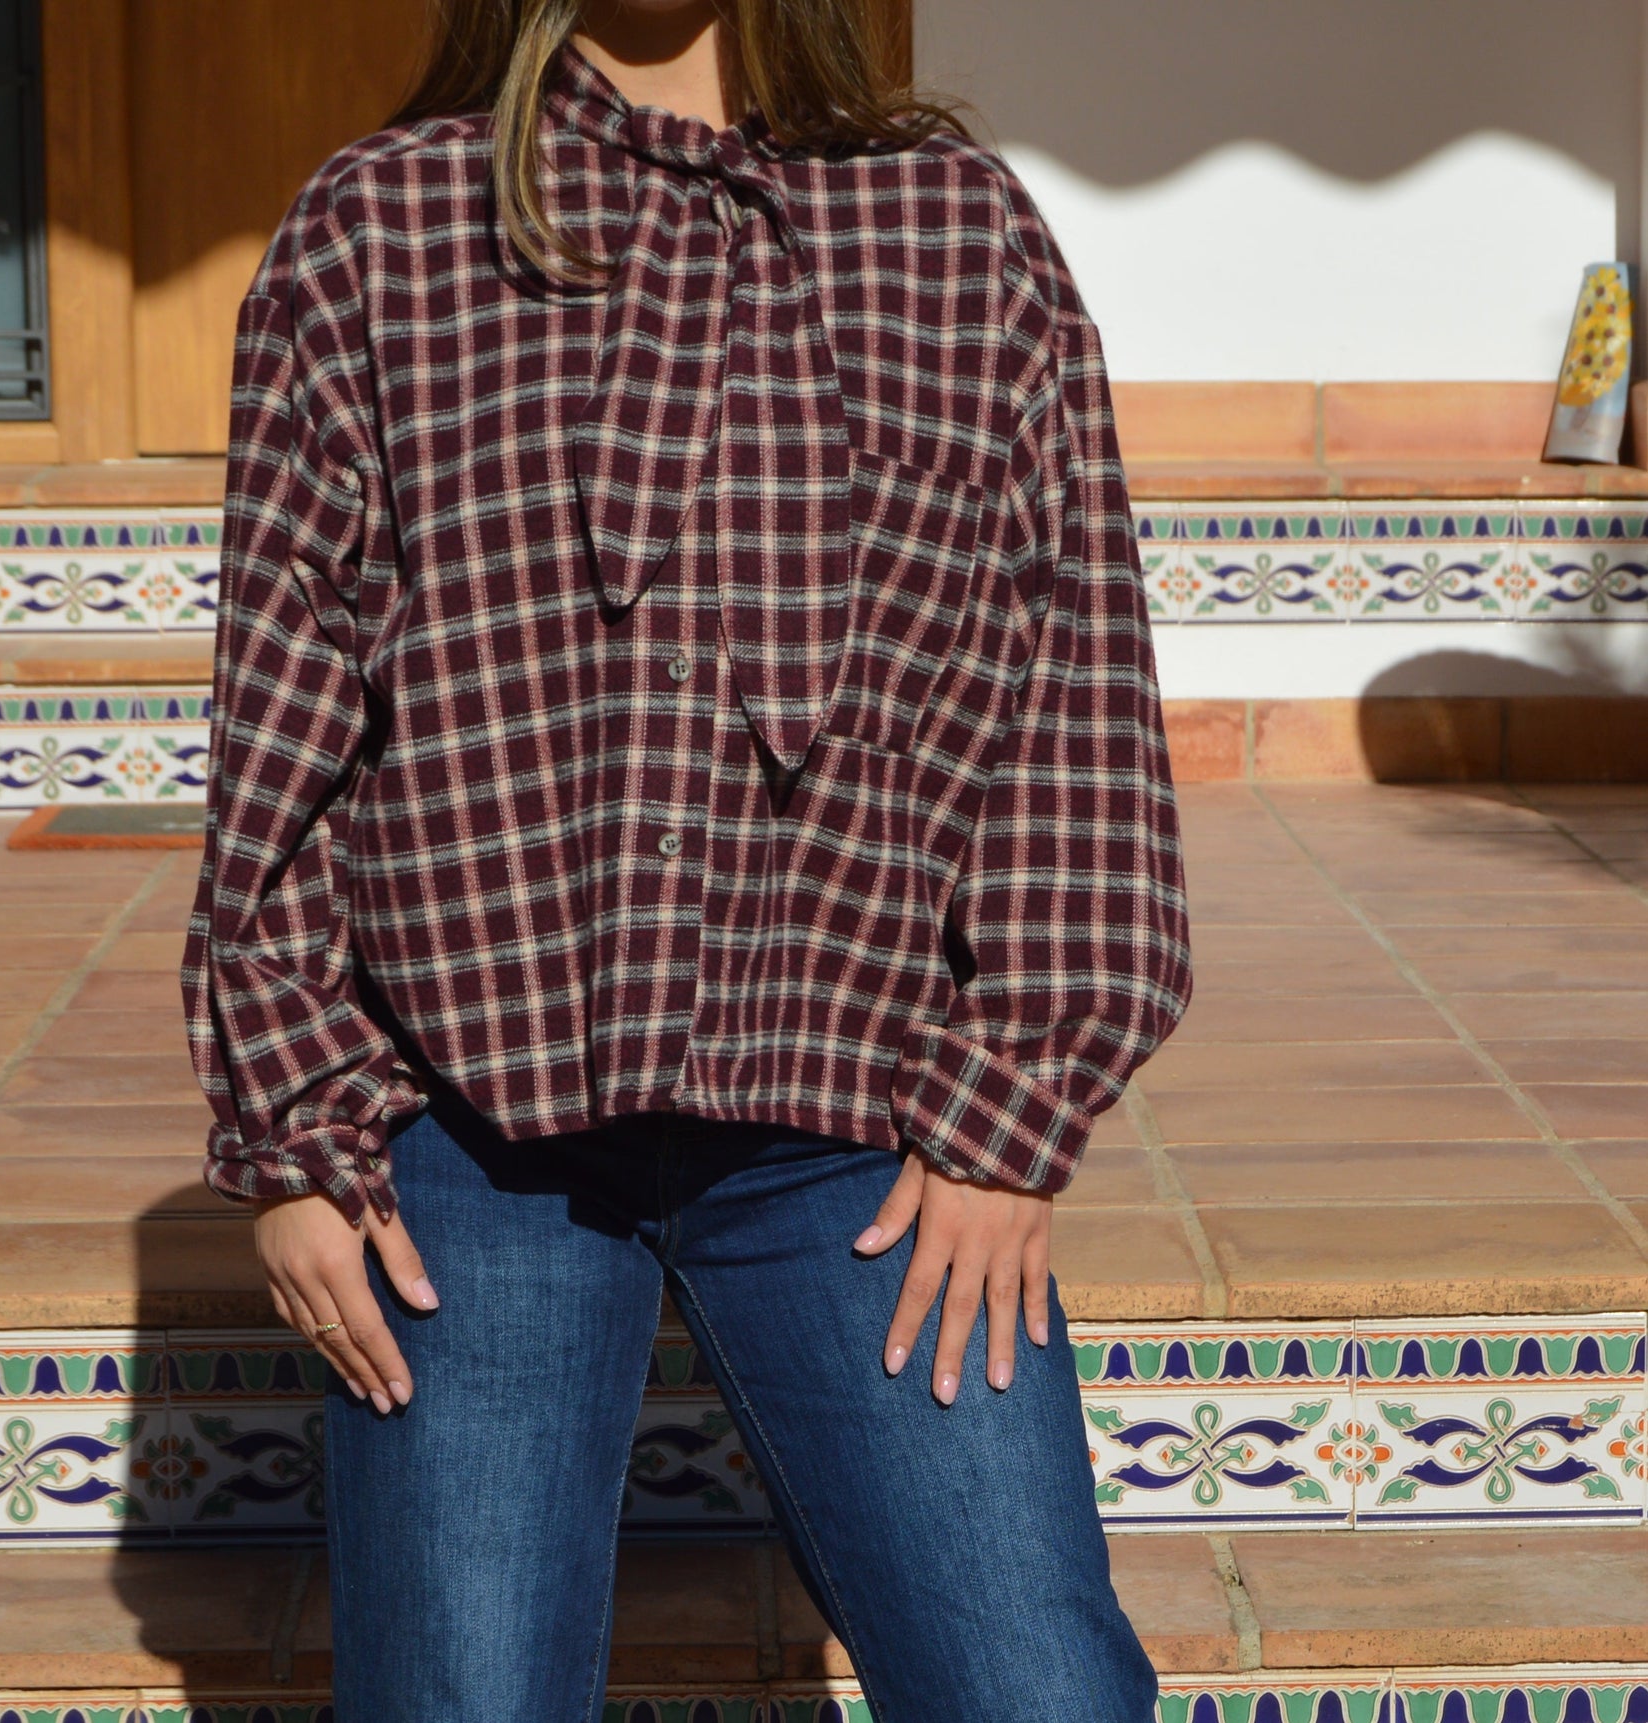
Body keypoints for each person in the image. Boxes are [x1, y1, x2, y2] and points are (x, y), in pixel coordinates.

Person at [180, 1, 1193, 1716]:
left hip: (856, 1114)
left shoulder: (955, 228)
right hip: (466, 1128)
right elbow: (286, 687)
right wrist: (293, 1138)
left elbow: (1066, 668)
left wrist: (1015, 1104)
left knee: (1037, 1691)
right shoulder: (381, 224)